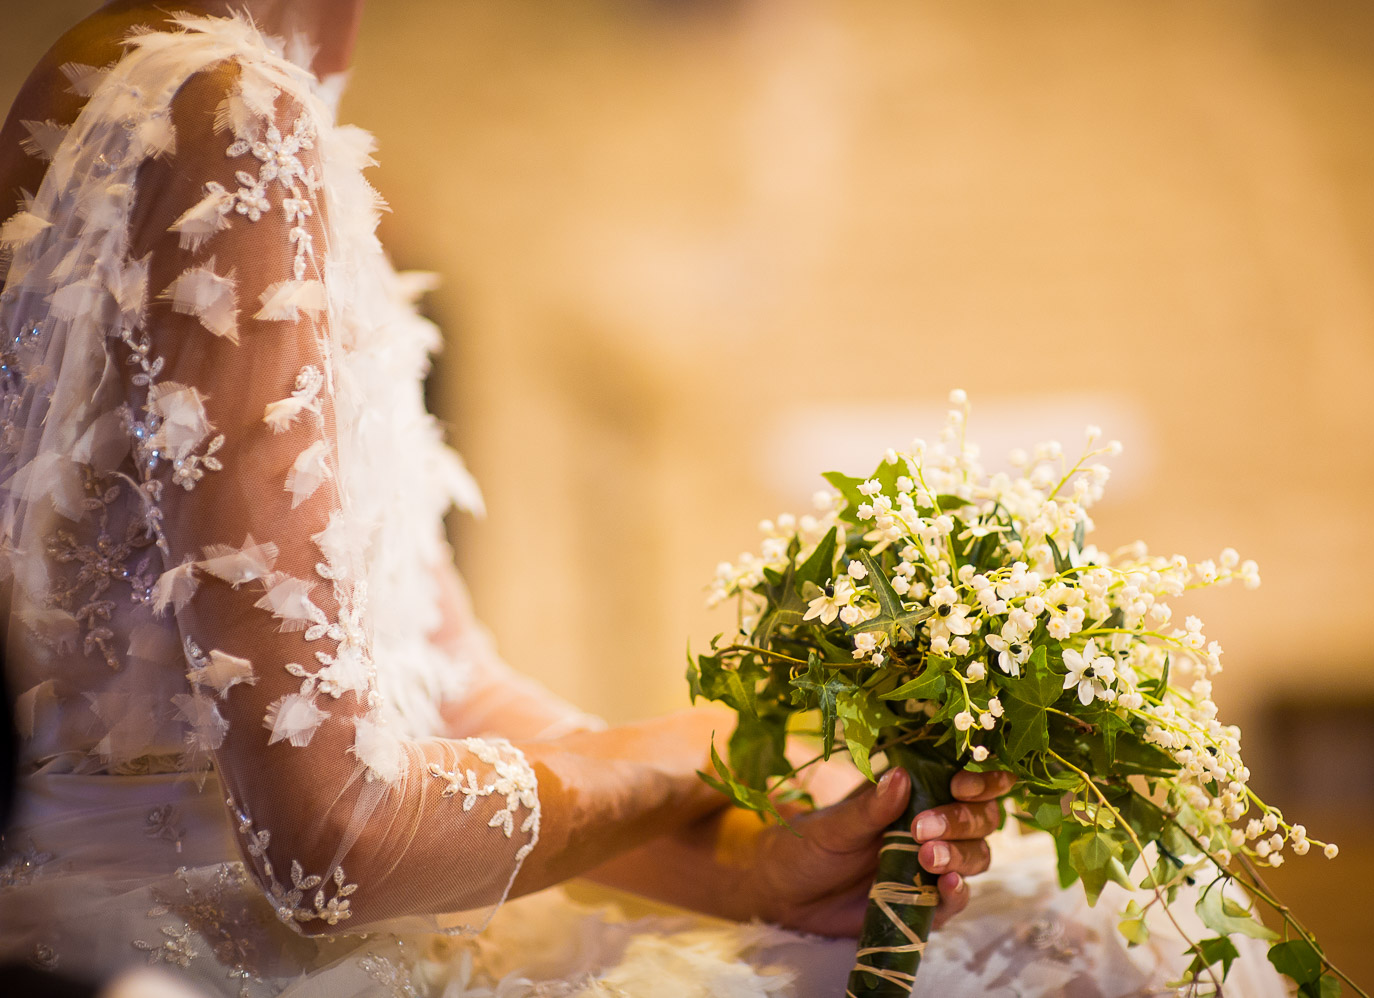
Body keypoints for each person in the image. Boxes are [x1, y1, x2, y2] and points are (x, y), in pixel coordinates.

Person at [0, 4, 1287, 995]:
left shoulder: (129, 90)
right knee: (1087, 935)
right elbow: (335, 839)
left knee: (1053, 904)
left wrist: (747, 857)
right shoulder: (233, 116)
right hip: (199, 956)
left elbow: (441, 680)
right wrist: (712, 742)